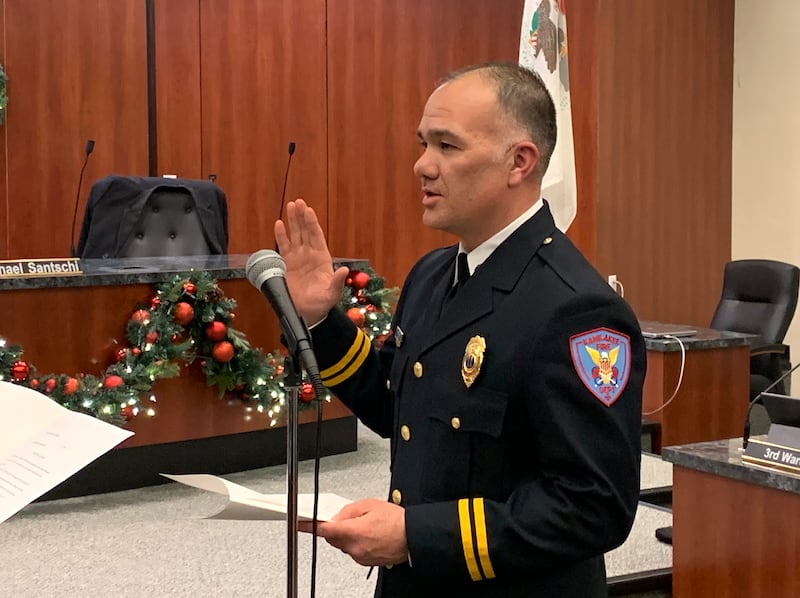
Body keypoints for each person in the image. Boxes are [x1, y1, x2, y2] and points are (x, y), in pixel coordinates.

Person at [275, 61, 646, 598]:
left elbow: (594, 506)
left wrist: (415, 536)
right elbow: (395, 406)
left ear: (519, 161)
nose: (422, 165)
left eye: (447, 147)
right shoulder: (432, 274)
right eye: (424, 143)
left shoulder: (577, 309)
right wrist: (318, 319)